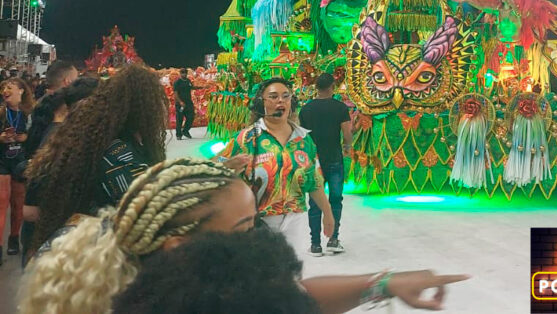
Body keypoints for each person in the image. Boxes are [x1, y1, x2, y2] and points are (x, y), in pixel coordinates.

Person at [20, 158, 470, 314]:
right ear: (180, 248)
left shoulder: (205, 290)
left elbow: (294, 298)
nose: (259, 238)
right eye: (245, 228)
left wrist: (383, 284)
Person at [23, 64, 169, 252]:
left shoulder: (82, 143)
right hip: (104, 255)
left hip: (71, 251)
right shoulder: (119, 157)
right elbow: (144, 222)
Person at [217, 77, 335, 251]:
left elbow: (314, 181)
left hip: (294, 220)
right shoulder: (247, 138)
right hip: (255, 224)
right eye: (273, 96)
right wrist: (227, 165)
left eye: (286, 96)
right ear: (261, 103)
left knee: (290, 267)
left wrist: (328, 213)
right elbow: (211, 168)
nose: (281, 100)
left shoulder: (303, 140)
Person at [17, 77, 99, 265]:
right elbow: (29, 211)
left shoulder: (60, 135)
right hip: (49, 245)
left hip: (46, 241)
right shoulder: (61, 140)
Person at [297, 72, 351, 256]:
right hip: (334, 159)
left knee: (315, 201)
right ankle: (333, 239)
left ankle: (315, 244)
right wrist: (347, 146)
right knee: (335, 199)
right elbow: (347, 133)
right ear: (332, 87)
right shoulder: (340, 108)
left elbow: (301, 137)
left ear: (316, 87)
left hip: (314, 162)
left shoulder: (306, 109)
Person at [0, 77, 33, 259]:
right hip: (2, 161)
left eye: (9, 87)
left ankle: (14, 238)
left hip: (20, 162)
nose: (5, 90)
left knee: (18, 204)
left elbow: (36, 137)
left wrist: (26, 137)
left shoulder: (29, 114)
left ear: (21, 90)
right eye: (3, 87)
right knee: (1, 203)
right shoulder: (1, 112)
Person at [173, 68, 195, 140]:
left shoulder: (188, 81)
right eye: (182, 73)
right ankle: (178, 134)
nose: (184, 74)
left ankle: (185, 131)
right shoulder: (177, 82)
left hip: (188, 103)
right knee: (179, 119)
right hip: (180, 104)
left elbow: (192, 87)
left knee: (191, 117)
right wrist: (180, 102)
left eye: (185, 73)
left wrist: (202, 87)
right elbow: (175, 93)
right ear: (180, 73)